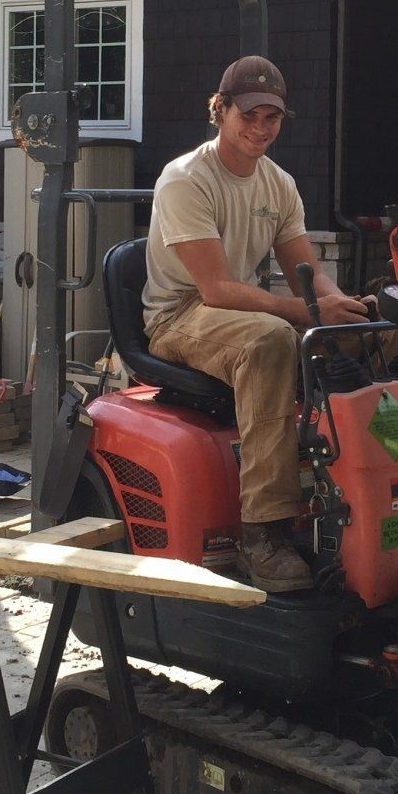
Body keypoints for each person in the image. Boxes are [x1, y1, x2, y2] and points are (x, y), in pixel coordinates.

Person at [143, 55, 368, 593]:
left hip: (229, 312)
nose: (260, 128)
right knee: (270, 340)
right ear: (219, 110)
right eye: (249, 114)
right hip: (179, 315)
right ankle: (262, 533)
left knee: (357, 338)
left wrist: (347, 311)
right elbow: (216, 290)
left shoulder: (279, 184)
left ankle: (354, 503)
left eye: (272, 117)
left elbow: (304, 275)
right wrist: (313, 313)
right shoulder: (185, 179)